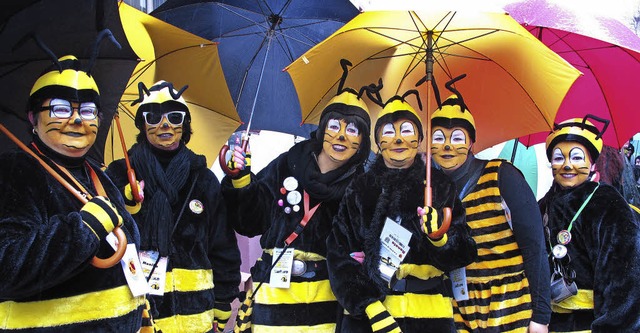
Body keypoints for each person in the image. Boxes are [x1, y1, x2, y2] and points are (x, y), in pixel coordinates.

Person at [0, 32, 146, 332]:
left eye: (88, 110)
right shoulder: (16, 173)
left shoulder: (96, 172)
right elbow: (7, 267)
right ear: (33, 117)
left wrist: (127, 208)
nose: (77, 120)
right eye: (60, 108)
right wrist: (81, 229)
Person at [221, 59, 374, 332]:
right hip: (274, 296)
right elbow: (250, 221)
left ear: (362, 141)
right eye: (335, 125)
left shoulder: (363, 187)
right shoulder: (288, 163)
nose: (341, 135)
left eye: (353, 129)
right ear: (323, 127)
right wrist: (240, 179)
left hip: (325, 301)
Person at [326, 90, 477, 332]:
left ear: (419, 139)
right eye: (388, 132)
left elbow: (465, 253)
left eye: (406, 131)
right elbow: (338, 256)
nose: (398, 139)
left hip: (428, 318)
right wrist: (371, 309)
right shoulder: (360, 188)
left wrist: (440, 238)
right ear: (378, 142)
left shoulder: (439, 186)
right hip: (370, 320)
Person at [106, 80, 241, 333]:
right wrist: (125, 207)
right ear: (141, 124)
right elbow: (107, 245)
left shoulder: (203, 178)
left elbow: (222, 244)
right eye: (153, 117)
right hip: (139, 314)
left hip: (195, 316)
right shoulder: (119, 174)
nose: (164, 125)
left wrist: (223, 298)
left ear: (185, 125)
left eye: (174, 116)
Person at [430, 92, 551, 333]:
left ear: (472, 142)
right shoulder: (431, 190)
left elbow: (534, 246)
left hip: (508, 308)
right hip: (457, 310)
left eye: (456, 137)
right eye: (438, 137)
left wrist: (541, 316)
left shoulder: (502, 176)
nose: (447, 146)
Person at [538, 115, 640, 332]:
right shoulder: (543, 205)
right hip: (547, 323)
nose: (567, 165)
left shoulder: (608, 204)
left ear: (592, 162)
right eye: (558, 158)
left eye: (576, 157)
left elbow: (625, 279)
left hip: (591, 323)